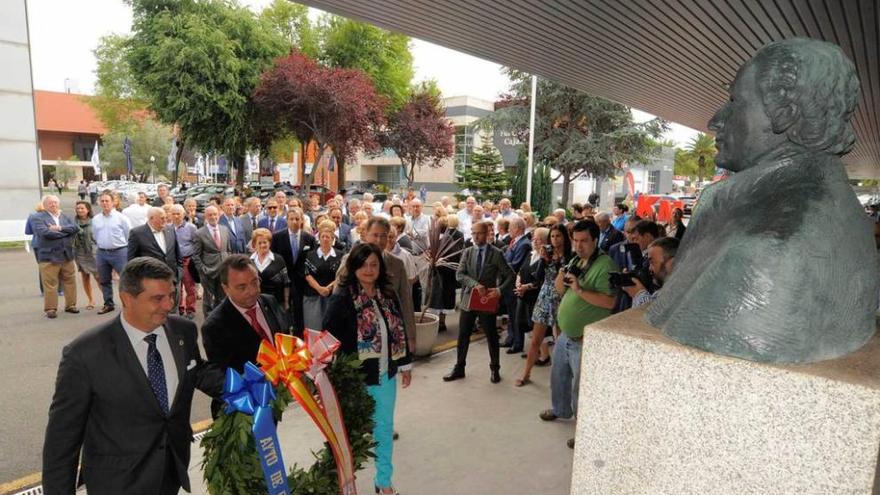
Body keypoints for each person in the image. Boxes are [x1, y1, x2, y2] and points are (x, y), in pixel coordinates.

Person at [42, 257, 224, 494]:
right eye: (157, 299)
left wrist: (246, 385)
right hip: (117, 482)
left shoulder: (183, 331)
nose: (169, 305)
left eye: (170, 295)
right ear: (127, 299)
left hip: (170, 472)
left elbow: (195, 370)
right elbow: (61, 441)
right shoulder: (83, 355)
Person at [323, 243, 412, 495]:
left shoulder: (387, 294)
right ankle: (343, 482)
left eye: (374, 264)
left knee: (383, 429)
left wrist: (404, 363)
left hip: (385, 375)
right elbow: (329, 337)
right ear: (353, 267)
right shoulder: (342, 298)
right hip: (356, 379)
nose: (369, 269)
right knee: (350, 433)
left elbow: (399, 329)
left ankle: (383, 480)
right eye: (363, 264)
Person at [540, 220, 617, 449]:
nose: (579, 245)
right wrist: (562, 271)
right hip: (566, 335)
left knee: (580, 389)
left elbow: (610, 301)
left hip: (585, 340)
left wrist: (580, 289)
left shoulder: (605, 265)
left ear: (595, 240)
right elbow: (559, 289)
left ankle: (583, 431)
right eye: (575, 240)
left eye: (584, 241)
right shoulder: (576, 260)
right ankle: (560, 409)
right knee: (559, 377)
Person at [201, 254, 288, 418]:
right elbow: (224, 376)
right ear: (226, 288)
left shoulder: (269, 301)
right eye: (242, 287)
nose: (252, 291)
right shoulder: (214, 326)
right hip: (244, 409)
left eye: (255, 282)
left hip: (274, 399)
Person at [444, 221, 514, 383]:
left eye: (479, 233)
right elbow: (459, 275)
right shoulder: (467, 252)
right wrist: (475, 285)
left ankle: (495, 369)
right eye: (473, 233)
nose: (475, 236)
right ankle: (459, 368)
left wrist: (498, 290)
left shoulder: (496, 253)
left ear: (487, 233)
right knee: (463, 336)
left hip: (486, 302)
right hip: (469, 300)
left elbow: (510, 275)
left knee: (491, 336)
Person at [517, 224, 571, 387]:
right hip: (544, 296)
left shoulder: (570, 256)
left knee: (561, 342)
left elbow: (567, 279)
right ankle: (526, 374)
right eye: (552, 236)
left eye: (558, 236)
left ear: (564, 237)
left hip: (562, 298)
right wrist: (543, 259)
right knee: (535, 340)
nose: (555, 240)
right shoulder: (546, 252)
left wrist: (552, 262)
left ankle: (562, 378)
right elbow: (538, 277)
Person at [32, 195, 80, 319]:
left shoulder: (65, 216)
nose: (53, 205)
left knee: (70, 281)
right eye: (50, 203)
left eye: (55, 203)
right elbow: (44, 233)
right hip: (49, 256)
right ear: (44, 205)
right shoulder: (37, 217)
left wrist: (59, 228)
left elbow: (75, 228)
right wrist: (66, 234)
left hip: (66, 255)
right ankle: (51, 309)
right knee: (50, 284)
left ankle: (71, 305)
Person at [271, 207, 316, 335]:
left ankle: (299, 336)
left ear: (302, 220)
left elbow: (311, 260)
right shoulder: (277, 237)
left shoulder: (309, 239)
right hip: (283, 279)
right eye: (291, 219)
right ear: (287, 220)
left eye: (297, 219)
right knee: (283, 310)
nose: (294, 221)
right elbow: (275, 259)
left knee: (299, 310)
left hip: (301, 280)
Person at [128, 207, 181, 312]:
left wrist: (179, 273)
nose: (165, 220)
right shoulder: (137, 233)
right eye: (162, 218)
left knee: (173, 312)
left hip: (172, 281)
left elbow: (177, 255)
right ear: (151, 218)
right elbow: (132, 261)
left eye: (166, 217)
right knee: (155, 313)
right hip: (151, 283)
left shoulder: (170, 230)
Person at [92, 191, 132, 314]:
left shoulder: (121, 218)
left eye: (107, 201)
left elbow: (129, 235)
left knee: (125, 280)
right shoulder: (96, 219)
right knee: (104, 280)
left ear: (113, 202)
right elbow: (95, 235)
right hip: (102, 253)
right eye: (102, 201)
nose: (104, 203)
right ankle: (108, 303)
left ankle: (129, 305)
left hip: (119, 252)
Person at [191, 205, 231, 314]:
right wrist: (203, 269)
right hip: (208, 271)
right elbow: (196, 255)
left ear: (219, 215)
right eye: (210, 215)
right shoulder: (199, 233)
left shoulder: (225, 229)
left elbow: (228, 250)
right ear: (205, 217)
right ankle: (209, 324)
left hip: (223, 271)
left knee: (223, 298)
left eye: (215, 214)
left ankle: (221, 322)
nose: (213, 217)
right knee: (209, 300)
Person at [427, 215, 463, 333]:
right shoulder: (448, 240)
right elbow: (457, 257)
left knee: (437, 298)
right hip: (447, 274)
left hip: (439, 274)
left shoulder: (438, 240)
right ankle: (441, 322)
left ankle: (438, 322)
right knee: (443, 298)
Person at [303, 220, 341, 330]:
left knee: (331, 327)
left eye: (328, 237)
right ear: (319, 239)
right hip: (312, 296)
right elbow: (307, 274)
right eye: (323, 236)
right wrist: (319, 288)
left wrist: (328, 288)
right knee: (313, 327)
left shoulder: (340, 255)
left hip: (332, 296)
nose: (325, 239)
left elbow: (341, 275)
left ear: (333, 239)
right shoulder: (310, 254)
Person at [501, 217, 532, 352]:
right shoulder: (514, 242)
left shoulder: (524, 244)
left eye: (511, 228)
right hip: (508, 283)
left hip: (515, 283)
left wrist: (500, 266)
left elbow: (516, 264)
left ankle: (518, 343)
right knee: (510, 313)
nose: (509, 230)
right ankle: (511, 338)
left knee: (516, 314)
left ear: (518, 228)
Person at [623, 236, 679, 307]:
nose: (650, 268)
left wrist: (639, 294)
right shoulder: (662, 291)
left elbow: (655, 313)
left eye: (652, 262)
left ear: (672, 262)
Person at [247, 227, 290, 311]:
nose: (263, 245)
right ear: (254, 245)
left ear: (269, 243)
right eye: (259, 243)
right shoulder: (249, 261)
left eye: (265, 242)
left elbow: (286, 283)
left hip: (276, 304)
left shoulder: (278, 259)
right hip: (255, 303)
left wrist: (286, 302)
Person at [170, 204, 198, 320]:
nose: (176, 216)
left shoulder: (191, 228)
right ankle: (179, 308)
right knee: (176, 287)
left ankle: (190, 309)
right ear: (170, 215)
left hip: (187, 260)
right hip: (173, 262)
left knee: (189, 286)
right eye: (174, 214)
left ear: (183, 214)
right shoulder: (167, 228)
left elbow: (196, 244)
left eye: (178, 214)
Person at [72, 201, 99, 310]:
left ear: (88, 210)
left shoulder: (95, 222)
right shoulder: (73, 222)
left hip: (93, 252)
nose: (79, 210)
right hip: (80, 252)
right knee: (85, 276)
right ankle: (91, 300)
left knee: (98, 276)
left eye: (82, 208)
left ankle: (107, 300)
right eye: (78, 208)